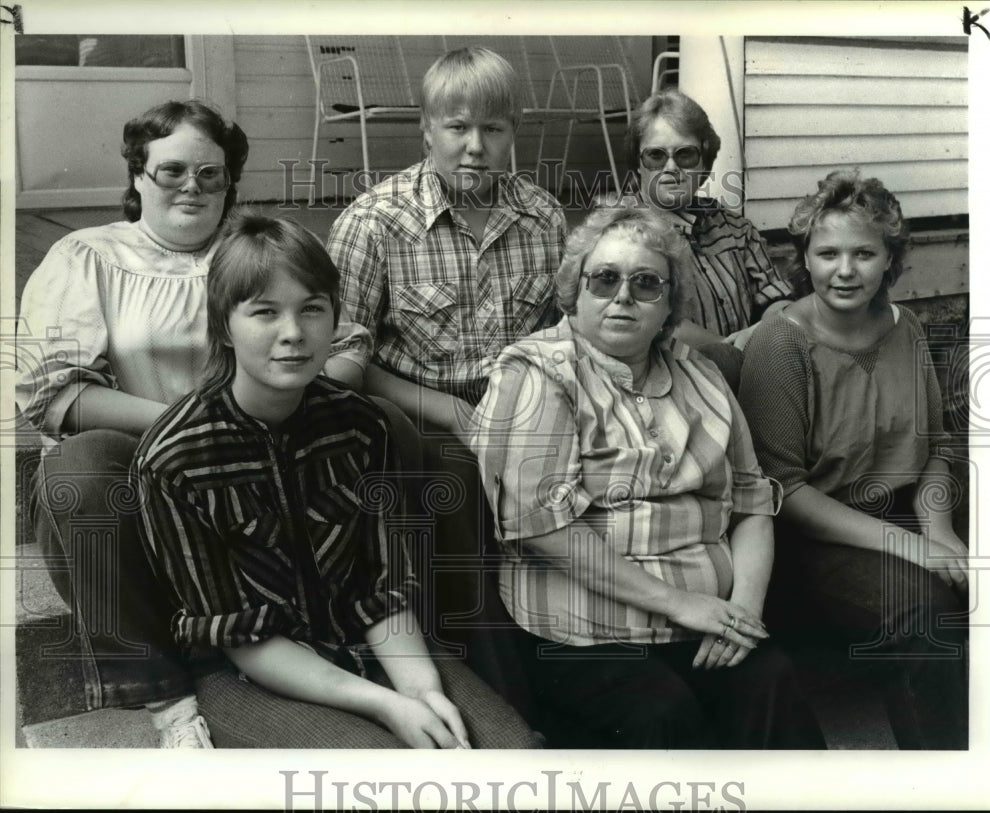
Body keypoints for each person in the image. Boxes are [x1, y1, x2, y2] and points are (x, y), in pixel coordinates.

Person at [15, 99, 369, 747]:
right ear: (138, 177)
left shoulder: (258, 251)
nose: (192, 187)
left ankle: (371, 638)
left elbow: (346, 347)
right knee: (79, 466)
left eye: (210, 174)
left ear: (230, 181)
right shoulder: (87, 256)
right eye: (172, 171)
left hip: (251, 471)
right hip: (129, 480)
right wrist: (198, 429)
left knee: (384, 428)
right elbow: (54, 394)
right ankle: (168, 701)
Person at [133, 212, 537, 749]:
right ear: (223, 326)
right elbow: (239, 637)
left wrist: (421, 691)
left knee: (513, 754)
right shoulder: (173, 457)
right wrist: (386, 705)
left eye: (312, 310)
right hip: (247, 673)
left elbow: (382, 587)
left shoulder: (361, 425)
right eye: (265, 313)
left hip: (371, 645)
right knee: (384, 776)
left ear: (335, 319)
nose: (293, 334)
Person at [470, 206, 825, 748]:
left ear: (669, 305)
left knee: (771, 684)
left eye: (646, 283)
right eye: (605, 279)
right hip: (585, 633)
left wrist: (745, 611)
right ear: (576, 290)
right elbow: (541, 528)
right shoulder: (539, 373)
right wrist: (682, 604)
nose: (623, 296)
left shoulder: (699, 373)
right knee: (662, 716)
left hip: (707, 621)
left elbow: (753, 502)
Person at [326, 46, 566, 715]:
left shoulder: (542, 216)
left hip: (521, 398)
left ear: (513, 131)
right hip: (412, 409)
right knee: (458, 480)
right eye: (457, 127)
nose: (475, 147)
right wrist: (440, 405)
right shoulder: (375, 222)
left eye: (493, 129)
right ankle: (504, 692)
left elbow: (556, 331)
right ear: (427, 129)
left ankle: (584, 648)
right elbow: (340, 359)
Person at [737, 170, 969, 749]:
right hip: (817, 533)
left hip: (906, 506)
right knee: (921, 611)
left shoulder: (907, 326)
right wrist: (911, 546)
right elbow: (783, 490)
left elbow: (935, 442)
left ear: (890, 259)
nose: (845, 270)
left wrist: (940, 531)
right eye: (828, 253)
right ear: (805, 259)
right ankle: (942, 778)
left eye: (864, 253)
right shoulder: (781, 343)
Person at [621, 88, 792, 353]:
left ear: (704, 162)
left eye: (685, 155)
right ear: (637, 163)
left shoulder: (735, 230)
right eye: (656, 156)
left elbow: (775, 298)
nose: (671, 169)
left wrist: (773, 323)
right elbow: (658, 324)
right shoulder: (621, 234)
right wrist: (734, 351)